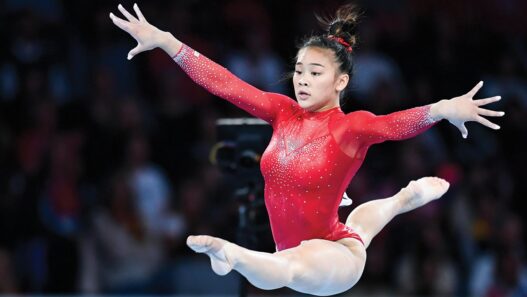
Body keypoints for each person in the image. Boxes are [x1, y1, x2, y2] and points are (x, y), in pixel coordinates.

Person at [109, 3, 504, 296]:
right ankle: (405, 197)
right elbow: (226, 84)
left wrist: (443, 109)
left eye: (315, 73)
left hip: (334, 258)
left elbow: (395, 125)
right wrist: (168, 42)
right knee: (350, 231)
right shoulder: (282, 112)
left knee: (295, 265)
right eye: (298, 70)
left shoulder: (351, 127)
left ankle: (231, 255)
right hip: (296, 247)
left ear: (340, 81)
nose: (302, 79)